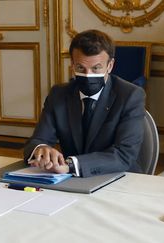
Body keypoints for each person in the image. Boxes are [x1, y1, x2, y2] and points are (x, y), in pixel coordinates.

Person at [24, 29, 146, 177]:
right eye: (80, 68)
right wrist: (40, 149)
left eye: (96, 68)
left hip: (118, 178)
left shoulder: (130, 96)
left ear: (110, 65)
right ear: (72, 65)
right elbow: (36, 140)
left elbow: (124, 154)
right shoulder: (59, 94)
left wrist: (71, 165)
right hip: (70, 181)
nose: (88, 75)